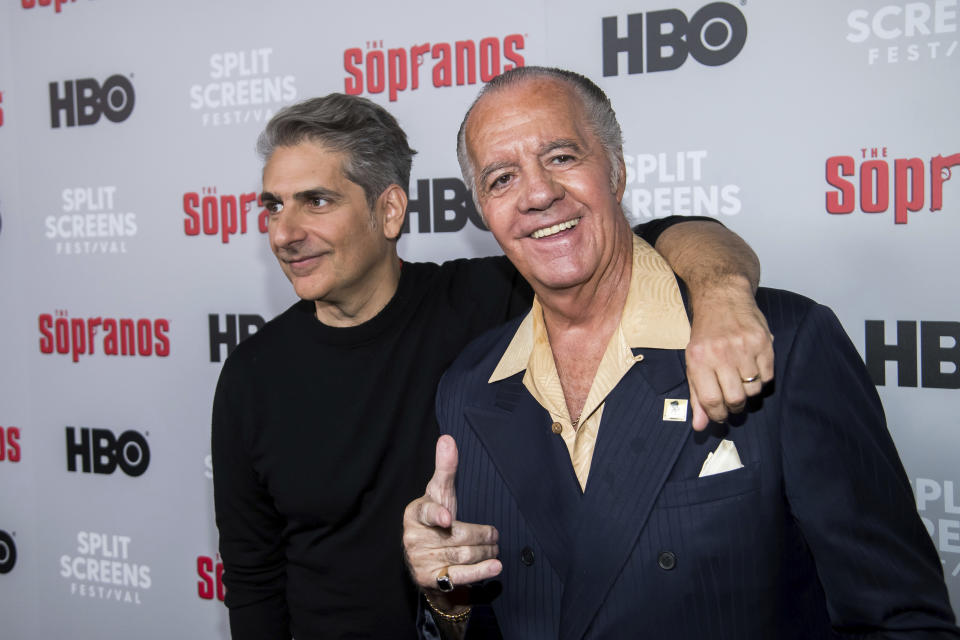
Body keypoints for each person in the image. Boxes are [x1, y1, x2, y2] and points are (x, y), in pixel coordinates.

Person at [402, 67, 960, 639]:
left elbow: (901, 621)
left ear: (616, 170)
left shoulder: (784, 342)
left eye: (562, 157)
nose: (538, 193)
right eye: (501, 178)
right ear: (482, 211)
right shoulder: (470, 387)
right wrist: (447, 597)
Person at [212, 92, 773, 639]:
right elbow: (252, 574)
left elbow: (655, 239)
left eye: (316, 201)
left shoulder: (495, 300)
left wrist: (721, 293)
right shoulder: (250, 375)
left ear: (388, 210)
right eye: (273, 205)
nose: (284, 233)